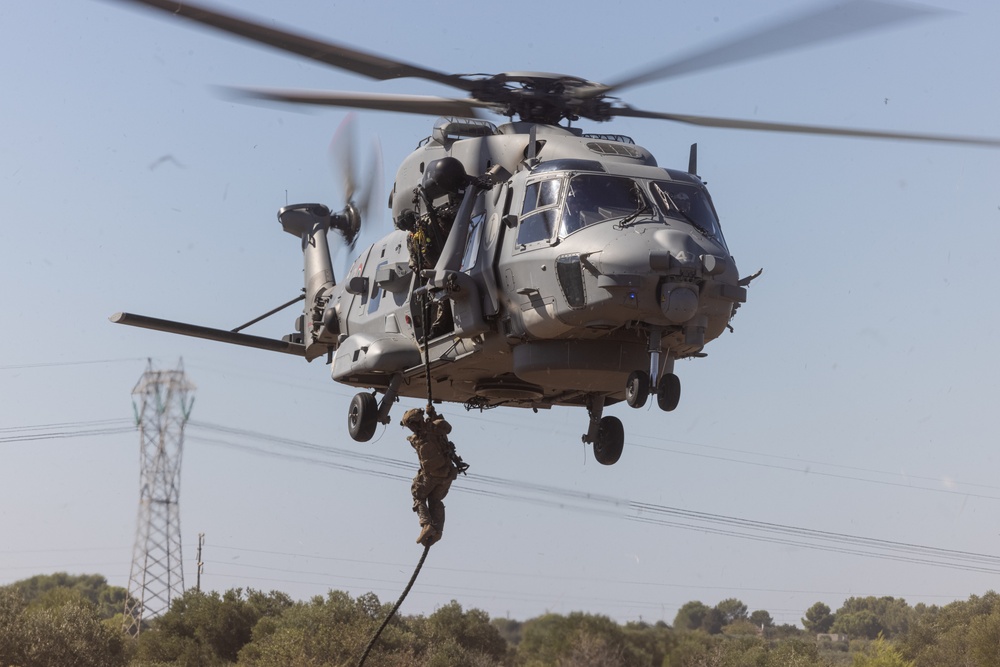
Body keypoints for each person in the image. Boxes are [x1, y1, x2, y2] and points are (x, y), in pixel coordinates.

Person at [400, 406, 465, 546]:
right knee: (435, 500)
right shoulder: (437, 428)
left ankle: (426, 525)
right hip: (447, 474)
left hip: (432, 476)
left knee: (418, 494)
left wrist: (432, 417)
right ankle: (437, 531)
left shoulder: (417, 438)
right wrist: (434, 416)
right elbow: (447, 428)